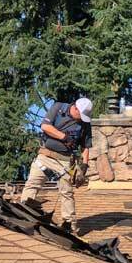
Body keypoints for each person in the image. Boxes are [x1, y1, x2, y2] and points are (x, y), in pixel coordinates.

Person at [21, 98, 93, 231]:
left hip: (64, 160)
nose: (82, 119)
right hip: (45, 156)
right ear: (75, 108)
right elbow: (45, 126)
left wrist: (84, 168)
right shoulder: (58, 108)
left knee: (66, 192)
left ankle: (69, 224)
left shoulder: (85, 123)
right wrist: (64, 137)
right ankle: (24, 214)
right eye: (81, 115)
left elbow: (85, 147)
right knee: (32, 184)